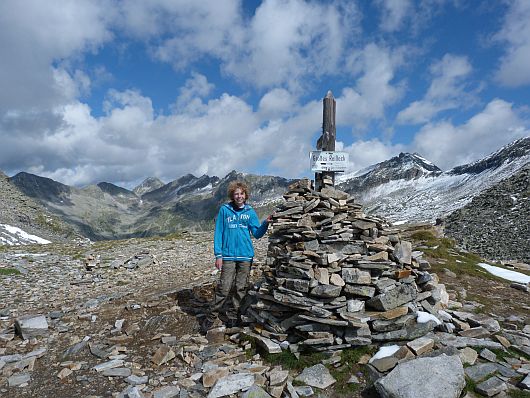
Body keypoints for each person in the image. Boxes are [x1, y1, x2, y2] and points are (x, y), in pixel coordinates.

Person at [202, 181, 271, 331]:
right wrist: (218, 255)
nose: (239, 196)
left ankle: (233, 315)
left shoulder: (250, 212)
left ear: (245, 195)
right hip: (227, 256)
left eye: (241, 193)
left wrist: (265, 223)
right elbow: (218, 232)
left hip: (246, 256)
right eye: (236, 194)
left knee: (241, 288)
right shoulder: (225, 210)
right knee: (224, 288)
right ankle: (211, 316)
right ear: (232, 196)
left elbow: (257, 234)